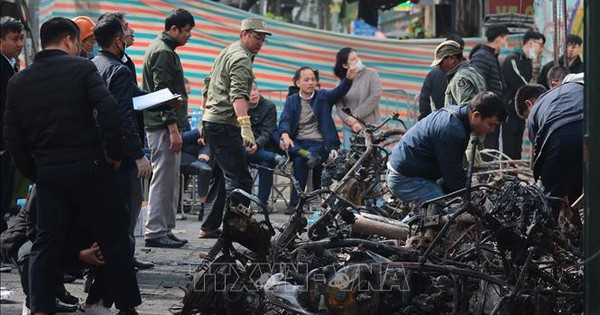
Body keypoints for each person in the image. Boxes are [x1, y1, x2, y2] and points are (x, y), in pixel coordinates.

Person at [3, 17, 140, 315]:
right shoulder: (82, 69)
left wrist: (35, 171)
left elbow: (13, 137)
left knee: (45, 242)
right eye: (78, 41)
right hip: (90, 168)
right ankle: (127, 307)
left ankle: (39, 309)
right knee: (115, 236)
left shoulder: (19, 81)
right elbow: (109, 110)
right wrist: (115, 154)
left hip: (49, 173)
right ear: (68, 40)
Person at [92, 15, 155, 271]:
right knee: (123, 212)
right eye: (127, 32)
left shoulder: (94, 64)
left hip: (99, 151)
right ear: (119, 40)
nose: (131, 35)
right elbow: (123, 115)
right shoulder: (117, 69)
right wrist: (138, 154)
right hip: (118, 155)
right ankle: (115, 269)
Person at [199, 17, 271, 237]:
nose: (260, 42)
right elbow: (238, 95)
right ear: (244, 34)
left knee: (222, 176)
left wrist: (204, 114)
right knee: (241, 179)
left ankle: (210, 226)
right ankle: (236, 229)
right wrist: (245, 126)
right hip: (223, 124)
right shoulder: (241, 58)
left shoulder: (228, 51)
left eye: (263, 38)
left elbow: (207, 83)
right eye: (257, 37)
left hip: (214, 121)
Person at [386, 92, 507, 204]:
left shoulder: (457, 115)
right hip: (404, 178)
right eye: (491, 124)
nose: (492, 130)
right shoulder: (452, 129)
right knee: (441, 207)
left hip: (411, 172)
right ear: (476, 115)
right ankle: (404, 227)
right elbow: (453, 178)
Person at [142, 8, 194, 248]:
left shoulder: (165, 50)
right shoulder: (163, 52)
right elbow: (161, 94)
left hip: (165, 124)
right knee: (163, 179)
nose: (189, 36)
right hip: (162, 125)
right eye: (186, 31)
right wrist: (173, 128)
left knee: (170, 179)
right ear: (173, 29)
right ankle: (155, 231)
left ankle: (165, 228)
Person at [279, 66, 357, 215]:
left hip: (319, 143)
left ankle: (311, 199)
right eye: (306, 79)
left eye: (313, 79)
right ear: (297, 83)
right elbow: (285, 120)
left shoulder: (322, 97)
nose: (310, 82)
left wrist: (348, 80)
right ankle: (296, 204)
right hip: (300, 141)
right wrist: (285, 134)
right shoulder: (292, 100)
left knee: (311, 157)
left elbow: (338, 92)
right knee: (300, 160)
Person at [514, 83, 583, 222]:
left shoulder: (535, 111)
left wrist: (550, 186)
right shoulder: (571, 87)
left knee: (549, 199)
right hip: (591, 129)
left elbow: (540, 158)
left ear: (529, 104)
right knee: (577, 181)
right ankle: (577, 229)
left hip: (560, 134)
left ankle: (546, 237)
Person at [501, 30, 546, 160]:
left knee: (517, 149)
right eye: (540, 45)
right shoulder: (512, 59)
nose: (540, 50)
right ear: (531, 43)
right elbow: (523, 85)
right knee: (508, 150)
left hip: (521, 112)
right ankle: (507, 177)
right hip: (509, 111)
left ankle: (514, 178)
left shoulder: (528, 62)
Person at [246, 81, 286, 209]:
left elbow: (267, 132)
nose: (253, 93)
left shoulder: (268, 106)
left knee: (266, 165)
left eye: (254, 89)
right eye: (248, 91)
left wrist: (257, 145)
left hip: (263, 145)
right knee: (238, 155)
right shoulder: (239, 106)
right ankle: (272, 156)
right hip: (245, 146)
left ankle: (261, 203)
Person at [1, 16, 24, 234]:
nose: (20, 43)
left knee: (6, 195)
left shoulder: (12, 64)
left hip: (9, 143)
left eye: (22, 38)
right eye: (14, 39)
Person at [469, 24, 508, 151]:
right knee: (486, 149)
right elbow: (477, 84)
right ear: (498, 39)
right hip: (486, 113)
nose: (505, 43)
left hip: (492, 112)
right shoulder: (482, 56)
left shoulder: (492, 56)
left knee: (492, 147)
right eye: (505, 39)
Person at [333, 47, 381, 148]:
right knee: (350, 160)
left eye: (357, 57)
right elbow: (339, 104)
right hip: (350, 128)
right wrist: (351, 121)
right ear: (345, 65)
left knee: (374, 159)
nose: (358, 61)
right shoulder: (341, 83)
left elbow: (375, 96)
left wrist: (355, 116)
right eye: (353, 59)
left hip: (370, 126)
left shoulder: (371, 74)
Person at [418, 34, 464, 120]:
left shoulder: (434, 73)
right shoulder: (470, 70)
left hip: (443, 119)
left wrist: (425, 121)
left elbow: (424, 100)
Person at [431, 40, 485, 107]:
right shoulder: (470, 71)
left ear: (451, 59)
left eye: (441, 62)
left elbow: (466, 110)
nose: (439, 66)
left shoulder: (460, 77)